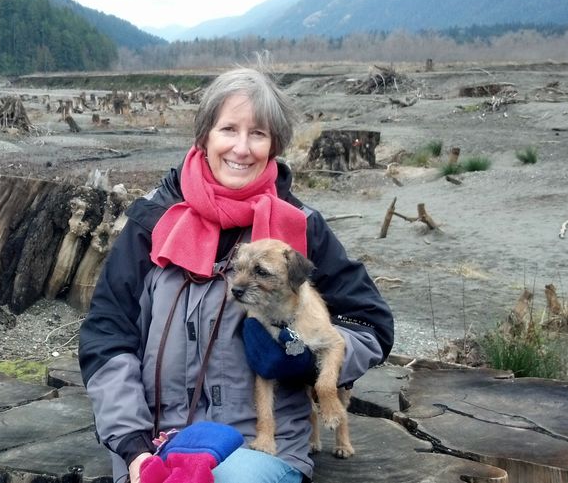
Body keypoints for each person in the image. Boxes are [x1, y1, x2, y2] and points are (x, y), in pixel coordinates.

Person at [79, 66, 394, 483]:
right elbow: (107, 336)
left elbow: (368, 322)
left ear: (274, 145)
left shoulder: (301, 226)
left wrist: (301, 358)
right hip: (156, 445)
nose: (241, 148)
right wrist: (133, 446)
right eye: (228, 129)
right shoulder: (150, 221)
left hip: (259, 447)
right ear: (204, 135)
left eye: (258, 134)